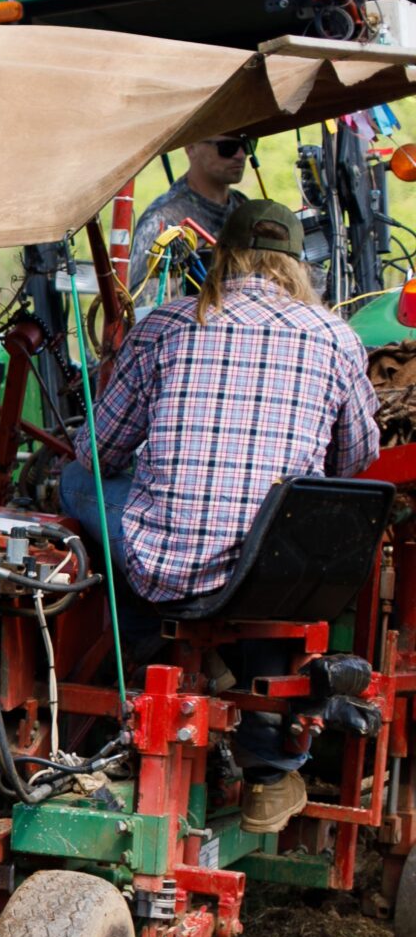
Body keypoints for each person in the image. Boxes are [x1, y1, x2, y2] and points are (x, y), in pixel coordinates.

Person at [63, 195, 380, 833]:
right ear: (296, 265)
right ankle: (268, 768)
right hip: (273, 579)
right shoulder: (336, 338)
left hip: (168, 569)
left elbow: (98, 449)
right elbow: (355, 460)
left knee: (79, 482)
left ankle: (135, 654)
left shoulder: (167, 324)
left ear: (222, 257)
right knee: (277, 536)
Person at [127, 135, 250, 311]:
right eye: (227, 147)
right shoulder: (163, 218)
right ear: (191, 148)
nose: (240, 155)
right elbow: (145, 303)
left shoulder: (242, 205)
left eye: (247, 145)